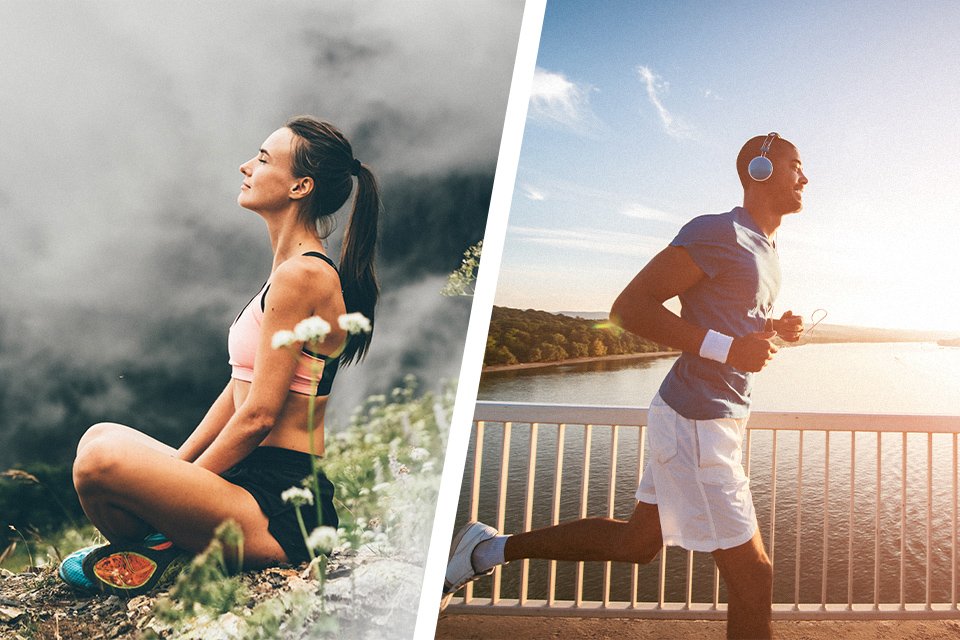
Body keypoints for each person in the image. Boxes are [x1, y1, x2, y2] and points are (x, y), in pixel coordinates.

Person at [444, 133, 807, 639]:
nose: (804, 178)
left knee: (636, 545)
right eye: (795, 166)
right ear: (761, 171)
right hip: (696, 422)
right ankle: (484, 549)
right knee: (753, 575)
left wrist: (771, 332)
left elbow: (731, 328)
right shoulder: (717, 232)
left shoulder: (767, 250)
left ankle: (486, 549)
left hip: (712, 418)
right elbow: (629, 308)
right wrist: (729, 349)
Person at [57, 116, 381, 596]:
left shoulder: (304, 276)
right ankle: (161, 549)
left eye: (265, 159)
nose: (246, 166)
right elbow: (238, 392)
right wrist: (177, 479)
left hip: (279, 505)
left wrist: (174, 489)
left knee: (99, 462)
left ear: (300, 186)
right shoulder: (288, 272)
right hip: (245, 482)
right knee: (101, 435)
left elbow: (259, 417)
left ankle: (158, 549)